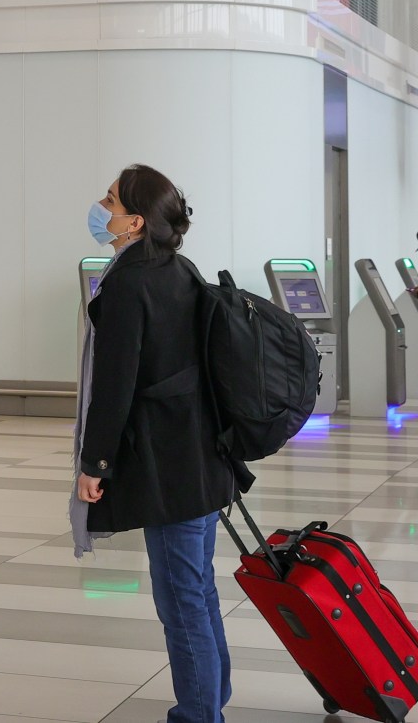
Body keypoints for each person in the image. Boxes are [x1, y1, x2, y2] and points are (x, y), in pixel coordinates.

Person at [74, 164, 252, 723]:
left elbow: (115, 385)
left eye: (110, 200)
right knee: (196, 590)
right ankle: (212, 699)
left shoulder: (129, 283)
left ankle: (199, 713)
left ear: (134, 222)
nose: (100, 208)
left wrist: (95, 463)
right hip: (203, 456)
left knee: (179, 597)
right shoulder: (179, 269)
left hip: (170, 466)